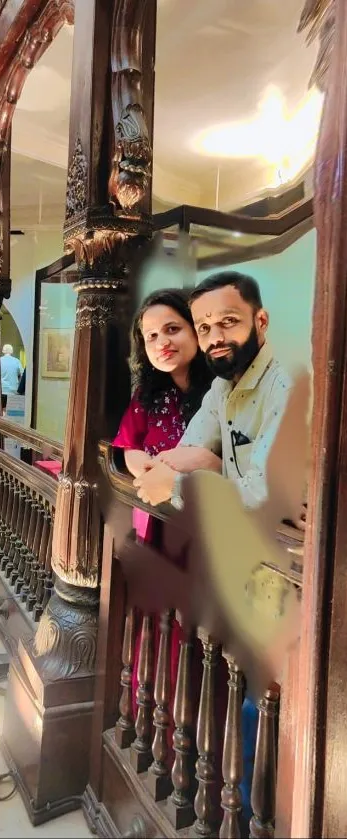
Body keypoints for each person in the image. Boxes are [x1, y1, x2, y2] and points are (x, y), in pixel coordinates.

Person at [132, 270, 306, 820]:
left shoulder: (288, 386)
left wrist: (183, 479)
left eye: (227, 322)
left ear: (260, 321)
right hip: (243, 561)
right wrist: (177, 468)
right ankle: (237, 804)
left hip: (291, 569)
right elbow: (187, 450)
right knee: (233, 689)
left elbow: (264, 494)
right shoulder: (222, 388)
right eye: (205, 327)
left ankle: (266, 817)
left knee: (266, 702)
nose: (214, 338)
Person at [113, 289, 227, 779]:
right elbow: (121, 452)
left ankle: (205, 757)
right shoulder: (146, 398)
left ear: (197, 331)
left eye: (173, 329)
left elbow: (233, 464)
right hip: (157, 540)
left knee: (205, 651)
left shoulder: (224, 388)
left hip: (212, 542)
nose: (162, 342)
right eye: (151, 335)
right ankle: (152, 734)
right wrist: (141, 460)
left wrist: (181, 467)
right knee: (154, 639)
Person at [0, 344, 23, 411]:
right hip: (13, 391)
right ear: (12, 351)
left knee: (2, 413)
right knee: (11, 413)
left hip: (2, 390)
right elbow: (22, 374)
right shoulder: (17, 361)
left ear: (3, 351)